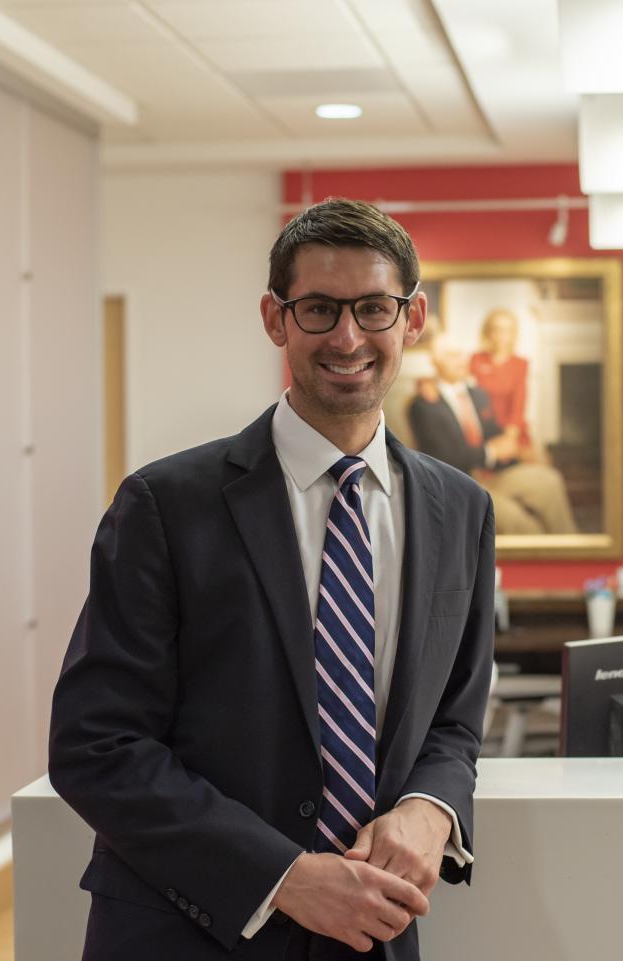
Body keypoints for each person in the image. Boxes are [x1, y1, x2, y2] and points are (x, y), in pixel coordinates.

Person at [49, 198, 495, 961]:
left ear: (413, 318)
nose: (347, 337)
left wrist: (430, 807)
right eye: (319, 308)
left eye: (373, 308)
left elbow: (453, 719)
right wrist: (282, 875)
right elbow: (97, 743)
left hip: (374, 933)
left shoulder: (461, 509)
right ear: (275, 318)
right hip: (185, 934)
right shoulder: (165, 503)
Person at [407, 331, 577, 537]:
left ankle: (573, 548)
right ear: (436, 362)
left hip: (492, 475)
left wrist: (516, 451)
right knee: (518, 521)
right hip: (459, 486)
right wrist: (491, 453)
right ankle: (546, 554)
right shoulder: (423, 405)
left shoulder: (478, 395)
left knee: (549, 481)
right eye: (452, 355)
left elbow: (494, 436)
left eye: (462, 354)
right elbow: (444, 457)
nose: (461, 360)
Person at [468, 308, 530, 449]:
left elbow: (518, 407)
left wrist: (508, 439)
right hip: (481, 431)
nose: (501, 335)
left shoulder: (520, 364)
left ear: (513, 334)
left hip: (510, 431)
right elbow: (459, 388)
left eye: (507, 330)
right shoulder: (476, 359)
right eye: (497, 329)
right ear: (488, 332)